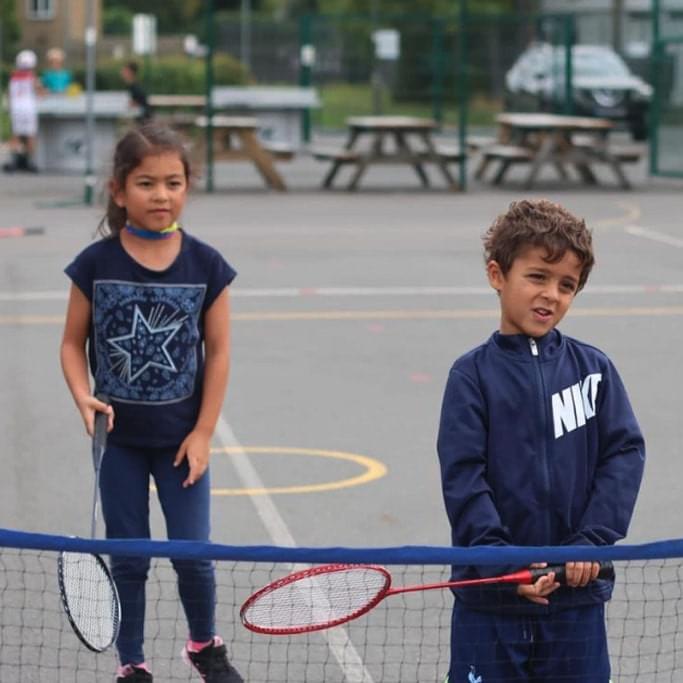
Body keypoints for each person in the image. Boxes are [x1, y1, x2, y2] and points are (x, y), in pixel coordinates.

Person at [60, 123, 243, 683]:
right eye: (145, 183)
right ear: (118, 191)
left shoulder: (207, 266)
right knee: (130, 559)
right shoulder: (95, 264)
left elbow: (218, 354)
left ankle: (202, 644)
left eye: (173, 182)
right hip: (117, 444)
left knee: (194, 556)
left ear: (189, 187)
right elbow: (71, 343)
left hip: (181, 440)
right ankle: (132, 662)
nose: (160, 195)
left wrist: (204, 432)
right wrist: (82, 395)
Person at [437, 199, 645, 683]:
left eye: (566, 285)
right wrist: (505, 564)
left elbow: (624, 455)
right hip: (492, 601)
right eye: (537, 277)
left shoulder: (595, 371)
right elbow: (464, 476)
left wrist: (592, 542)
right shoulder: (471, 377)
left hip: (576, 602)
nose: (551, 294)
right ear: (497, 274)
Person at [3, 49, 40, 173]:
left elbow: (8, 93)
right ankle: (31, 162)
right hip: (28, 108)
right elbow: (38, 91)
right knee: (30, 135)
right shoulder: (32, 77)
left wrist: (8, 107)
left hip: (16, 108)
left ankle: (13, 161)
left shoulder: (13, 76)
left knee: (16, 135)